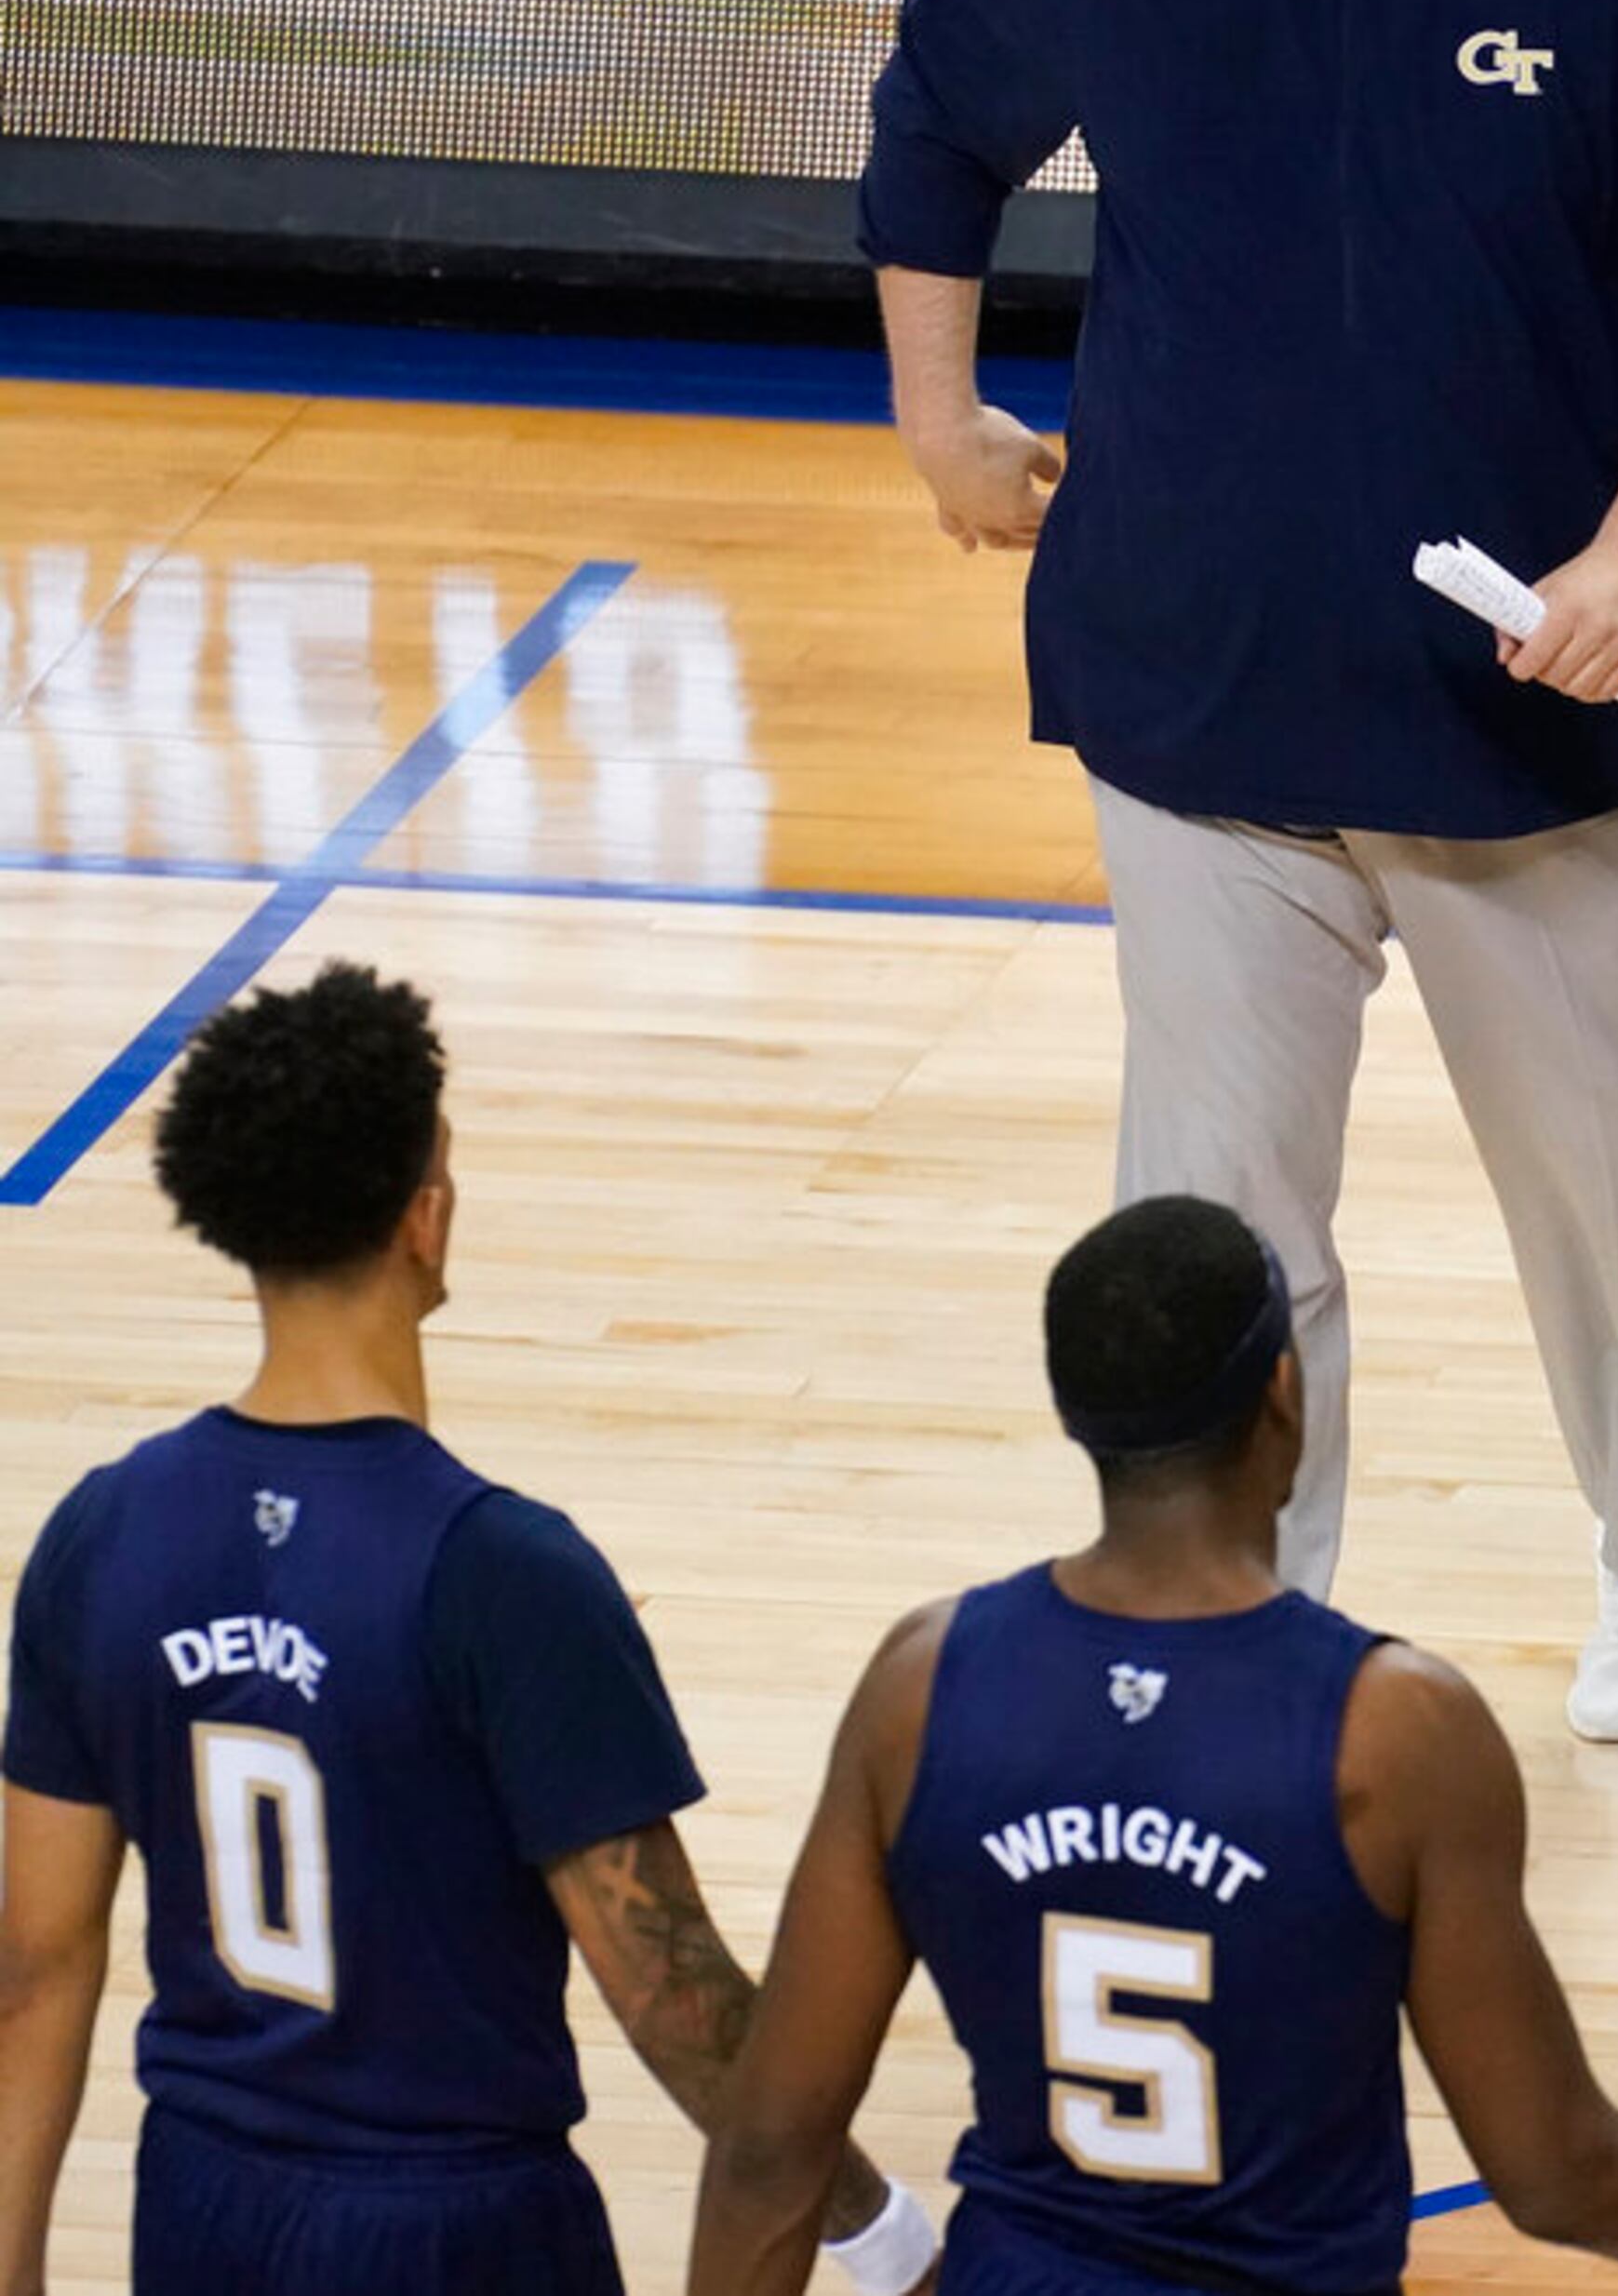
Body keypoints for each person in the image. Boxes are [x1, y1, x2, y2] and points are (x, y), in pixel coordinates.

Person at [857, 0, 1618, 1740]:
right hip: (1198, 692)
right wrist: (938, 420)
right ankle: (1242, 1601)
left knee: (1610, 1181)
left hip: (1525, 715)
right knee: (1219, 1207)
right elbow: (934, 116)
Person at [683, 1195, 1618, 2296]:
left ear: (1076, 1410)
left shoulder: (922, 1685)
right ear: (1283, 1396)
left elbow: (767, 2147)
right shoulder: (1395, 1730)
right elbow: (1557, 2171)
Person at [0, 964, 931, 2296]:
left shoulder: (102, 1535)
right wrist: (882, 2233)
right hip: (453, 2229)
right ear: (425, 1218)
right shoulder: (505, 1574)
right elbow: (672, 1997)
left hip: (202, 2200)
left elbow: (34, 1965)